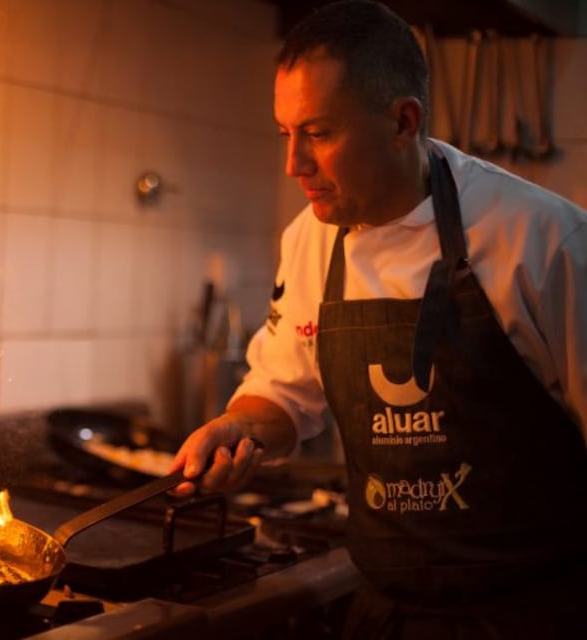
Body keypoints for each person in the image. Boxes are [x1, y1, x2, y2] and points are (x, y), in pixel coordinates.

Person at [168, 1, 587, 637]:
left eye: (318, 133)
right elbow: (283, 395)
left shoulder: (543, 239)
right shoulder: (310, 239)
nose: (294, 165)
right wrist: (238, 428)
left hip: (532, 616)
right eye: (285, 134)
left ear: (402, 121)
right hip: (385, 615)